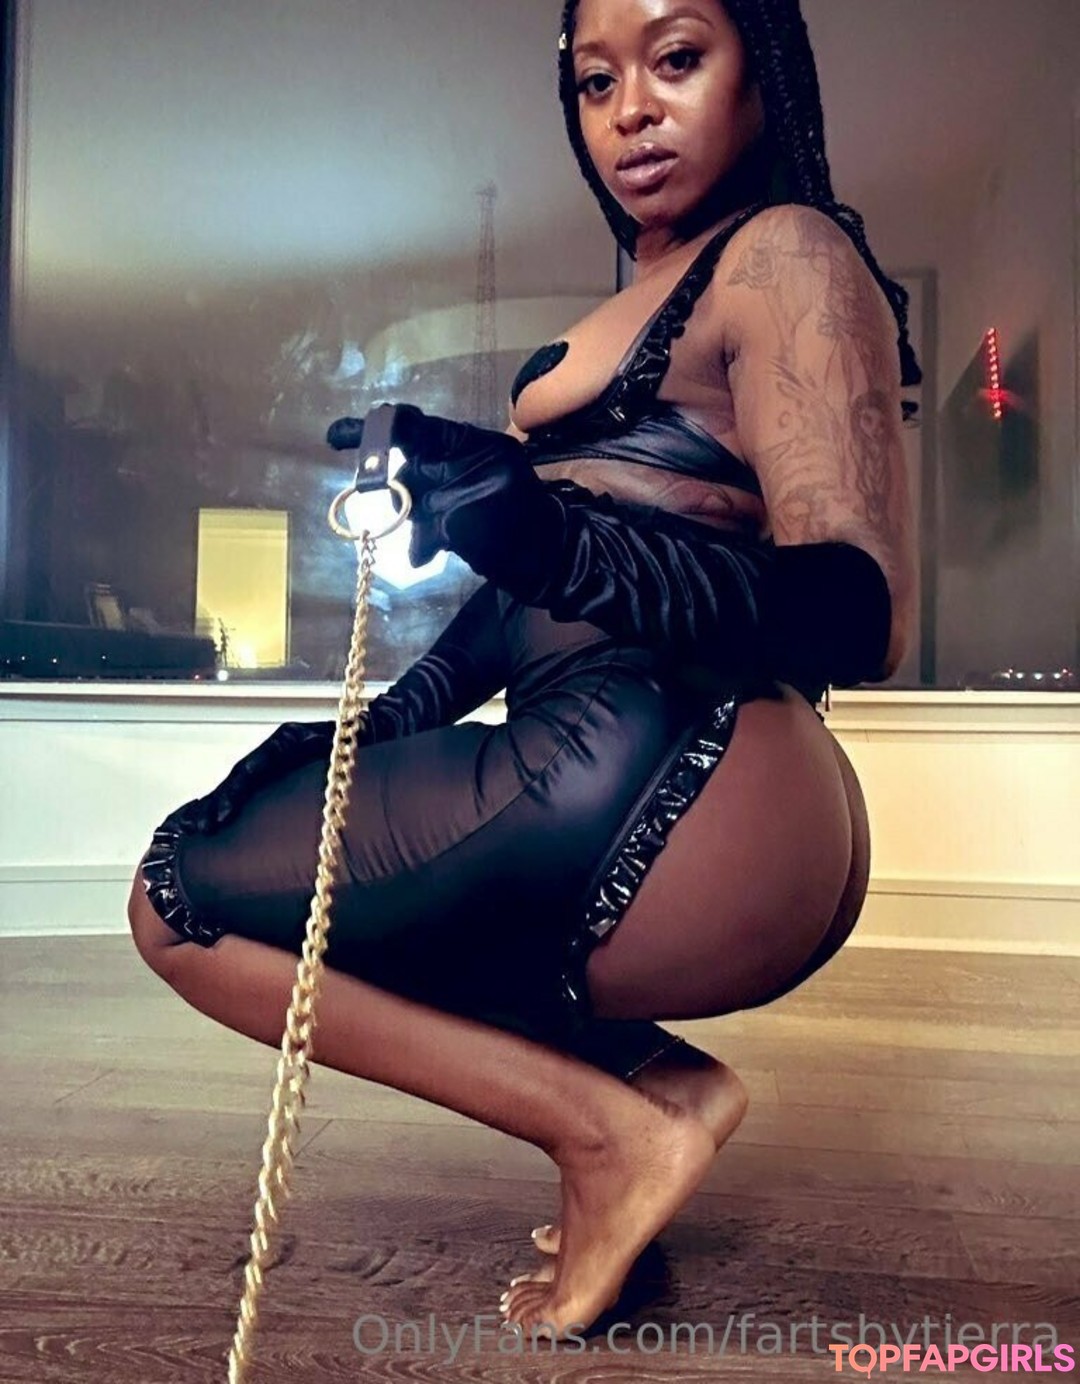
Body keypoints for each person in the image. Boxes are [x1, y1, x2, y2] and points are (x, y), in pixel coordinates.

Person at [128, 0, 919, 1340]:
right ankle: (651, 1094)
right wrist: (391, 717)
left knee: (176, 897)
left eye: (678, 59)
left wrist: (553, 537)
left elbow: (858, 614)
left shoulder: (787, 251)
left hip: (674, 768)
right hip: (608, 760)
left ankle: (605, 1135)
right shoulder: (644, 300)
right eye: (596, 81)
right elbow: (517, 610)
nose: (632, 110)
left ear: (763, 73)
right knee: (287, 855)